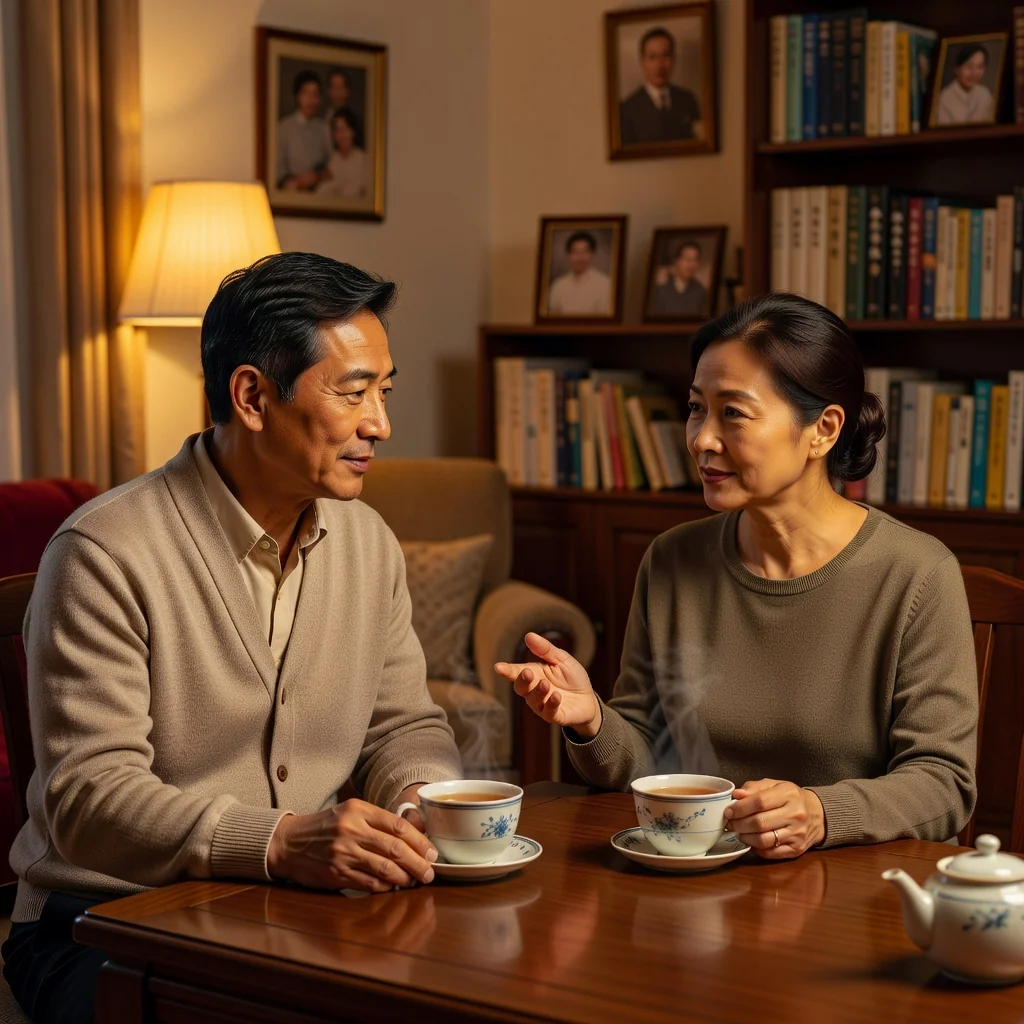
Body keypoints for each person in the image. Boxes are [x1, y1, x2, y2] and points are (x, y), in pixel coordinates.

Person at [2, 252, 463, 1023]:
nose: (380, 424)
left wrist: (417, 801)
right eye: (353, 393)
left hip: (291, 915)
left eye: (383, 391)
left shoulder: (369, 541)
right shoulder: (105, 552)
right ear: (251, 396)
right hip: (101, 927)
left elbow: (404, 726)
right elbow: (89, 797)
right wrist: (279, 842)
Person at [497, 292, 977, 860]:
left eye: (734, 413)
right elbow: (650, 757)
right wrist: (593, 719)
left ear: (823, 430)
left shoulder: (916, 574)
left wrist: (822, 814)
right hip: (694, 883)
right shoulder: (672, 559)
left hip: (853, 893)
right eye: (697, 407)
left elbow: (944, 784)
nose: (701, 438)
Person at [620, 26, 701, 145]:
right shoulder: (626, 110)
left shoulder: (688, 100)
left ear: (674, 59)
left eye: (666, 56)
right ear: (642, 62)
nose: (660, 65)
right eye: (652, 57)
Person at [276, 70, 332, 190]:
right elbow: (277, 168)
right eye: (307, 94)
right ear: (298, 97)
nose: (312, 100)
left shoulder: (323, 128)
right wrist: (295, 181)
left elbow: (331, 163)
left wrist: (317, 176)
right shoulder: (284, 127)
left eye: (315, 95)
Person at [547, 232, 612, 316]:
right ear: (568, 255)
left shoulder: (606, 284)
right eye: (575, 252)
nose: (579, 257)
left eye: (584, 252)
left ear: (592, 254)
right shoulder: (558, 285)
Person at [936, 44, 994, 125]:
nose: (974, 73)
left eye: (979, 67)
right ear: (957, 69)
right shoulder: (943, 99)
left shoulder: (985, 95)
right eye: (969, 67)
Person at [317, 109, 369, 199]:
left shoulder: (364, 159)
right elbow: (322, 191)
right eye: (337, 131)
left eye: (345, 130)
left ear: (353, 132)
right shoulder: (334, 158)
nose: (341, 136)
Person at [650, 240, 709, 317]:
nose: (691, 265)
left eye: (695, 260)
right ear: (677, 261)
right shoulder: (662, 288)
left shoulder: (700, 291)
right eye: (687, 260)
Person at [324, 68, 364, 148]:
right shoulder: (323, 117)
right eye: (333, 88)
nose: (337, 93)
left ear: (347, 91)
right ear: (329, 91)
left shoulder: (355, 120)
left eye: (340, 88)